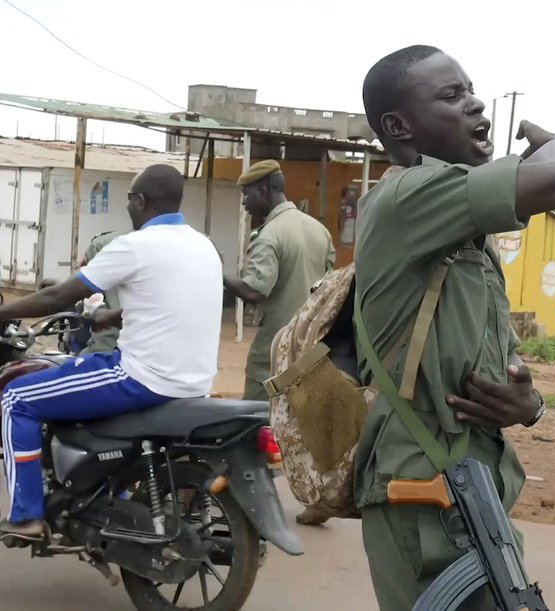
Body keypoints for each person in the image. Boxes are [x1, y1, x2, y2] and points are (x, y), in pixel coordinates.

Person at [355, 45, 555, 610]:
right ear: (398, 125)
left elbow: (492, 364)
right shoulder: (409, 196)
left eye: (471, 90)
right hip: (422, 489)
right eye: (451, 95)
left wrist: (526, 403)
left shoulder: (462, 233)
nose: (476, 103)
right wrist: (554, 141)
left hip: (470, 488)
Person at [0, 164, 224, 537]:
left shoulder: (135, 245)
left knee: (16, 397)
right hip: (193, 382)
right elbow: (171, 302)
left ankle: (25, 515)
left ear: (139, 201)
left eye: (129, 201)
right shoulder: (204, 245)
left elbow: (60, 294)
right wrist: (113, 316)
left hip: (140, 378)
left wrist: (5, 311)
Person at [222, 160, 336, 525]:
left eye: (246, 196)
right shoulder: (317, 230)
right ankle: (321, 499)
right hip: (316, 342)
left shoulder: (270, 235)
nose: (244, 205)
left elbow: (256, 289)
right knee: (312, 422)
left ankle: (252, 499)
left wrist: (219, 274)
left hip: (276, 345)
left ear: (264, 191)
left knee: (255, 419)